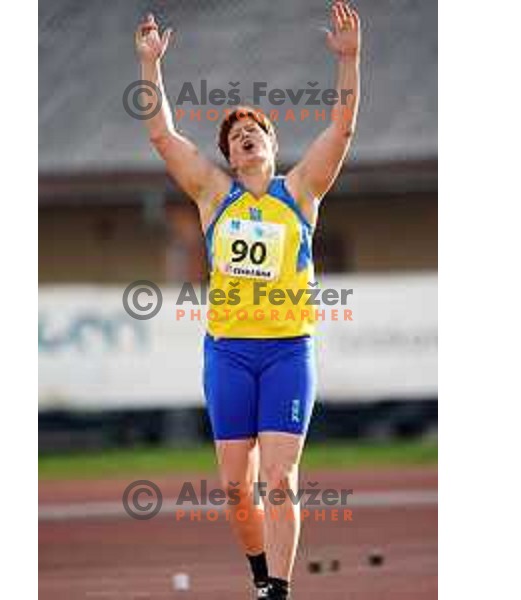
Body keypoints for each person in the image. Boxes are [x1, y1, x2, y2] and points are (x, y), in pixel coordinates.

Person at [135, 3, 360, 598]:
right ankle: (262, 573)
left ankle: (279, 591)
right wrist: (149, 65)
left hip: (287, 352)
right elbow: (162, 134)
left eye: (253, 132)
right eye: (235, 138)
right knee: (238, 490)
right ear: (231, 158)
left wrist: (349, 59)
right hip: (229, 354)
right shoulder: (214, 196)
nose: (245, 139)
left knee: (281, 478)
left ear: (272, 144)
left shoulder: (302, 191)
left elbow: (341, 130)